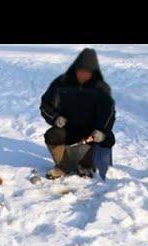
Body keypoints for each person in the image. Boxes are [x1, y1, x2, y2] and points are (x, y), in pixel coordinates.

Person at [40, 48, 115, 179]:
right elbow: (45, 105)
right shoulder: (60, 84)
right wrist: (55, 118)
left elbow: (109, 113)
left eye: (88, 72)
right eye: (80, 71)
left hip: (89, 135)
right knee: (52, 135)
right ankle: (63, 166)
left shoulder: (101, 88)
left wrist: (101, 131)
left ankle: (86, 166)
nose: (83, 75)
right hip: (68, 129)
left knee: (106, 137)